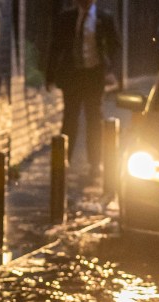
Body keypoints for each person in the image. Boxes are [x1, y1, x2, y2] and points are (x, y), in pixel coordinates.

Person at [46, 0, 121, 182]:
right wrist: (50, 76)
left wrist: (112, 71)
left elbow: (115, 46)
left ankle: (95, 163)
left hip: (94, 76)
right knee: (70, 118)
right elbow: (56, 47)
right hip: (72, 76)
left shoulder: (104, 18)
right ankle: (65, 160)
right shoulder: (67, 18)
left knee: (94, 118)